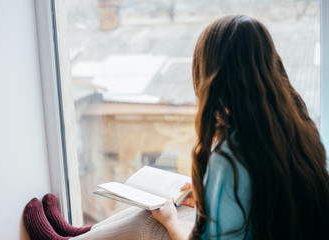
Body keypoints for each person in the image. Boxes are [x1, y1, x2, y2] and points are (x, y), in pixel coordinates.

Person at [23, 15, 329, 240]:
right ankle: (81, 234)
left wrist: (171, 222)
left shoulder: (231, 157)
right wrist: (209, 195)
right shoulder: (300, 129)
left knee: (155, 220)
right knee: (167, 202)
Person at [151, 14, 329, 240]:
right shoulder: (305, 131)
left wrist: (170, 221)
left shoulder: (229, 156)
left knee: (138, 226)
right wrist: (214, 198)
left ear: (210, 79)